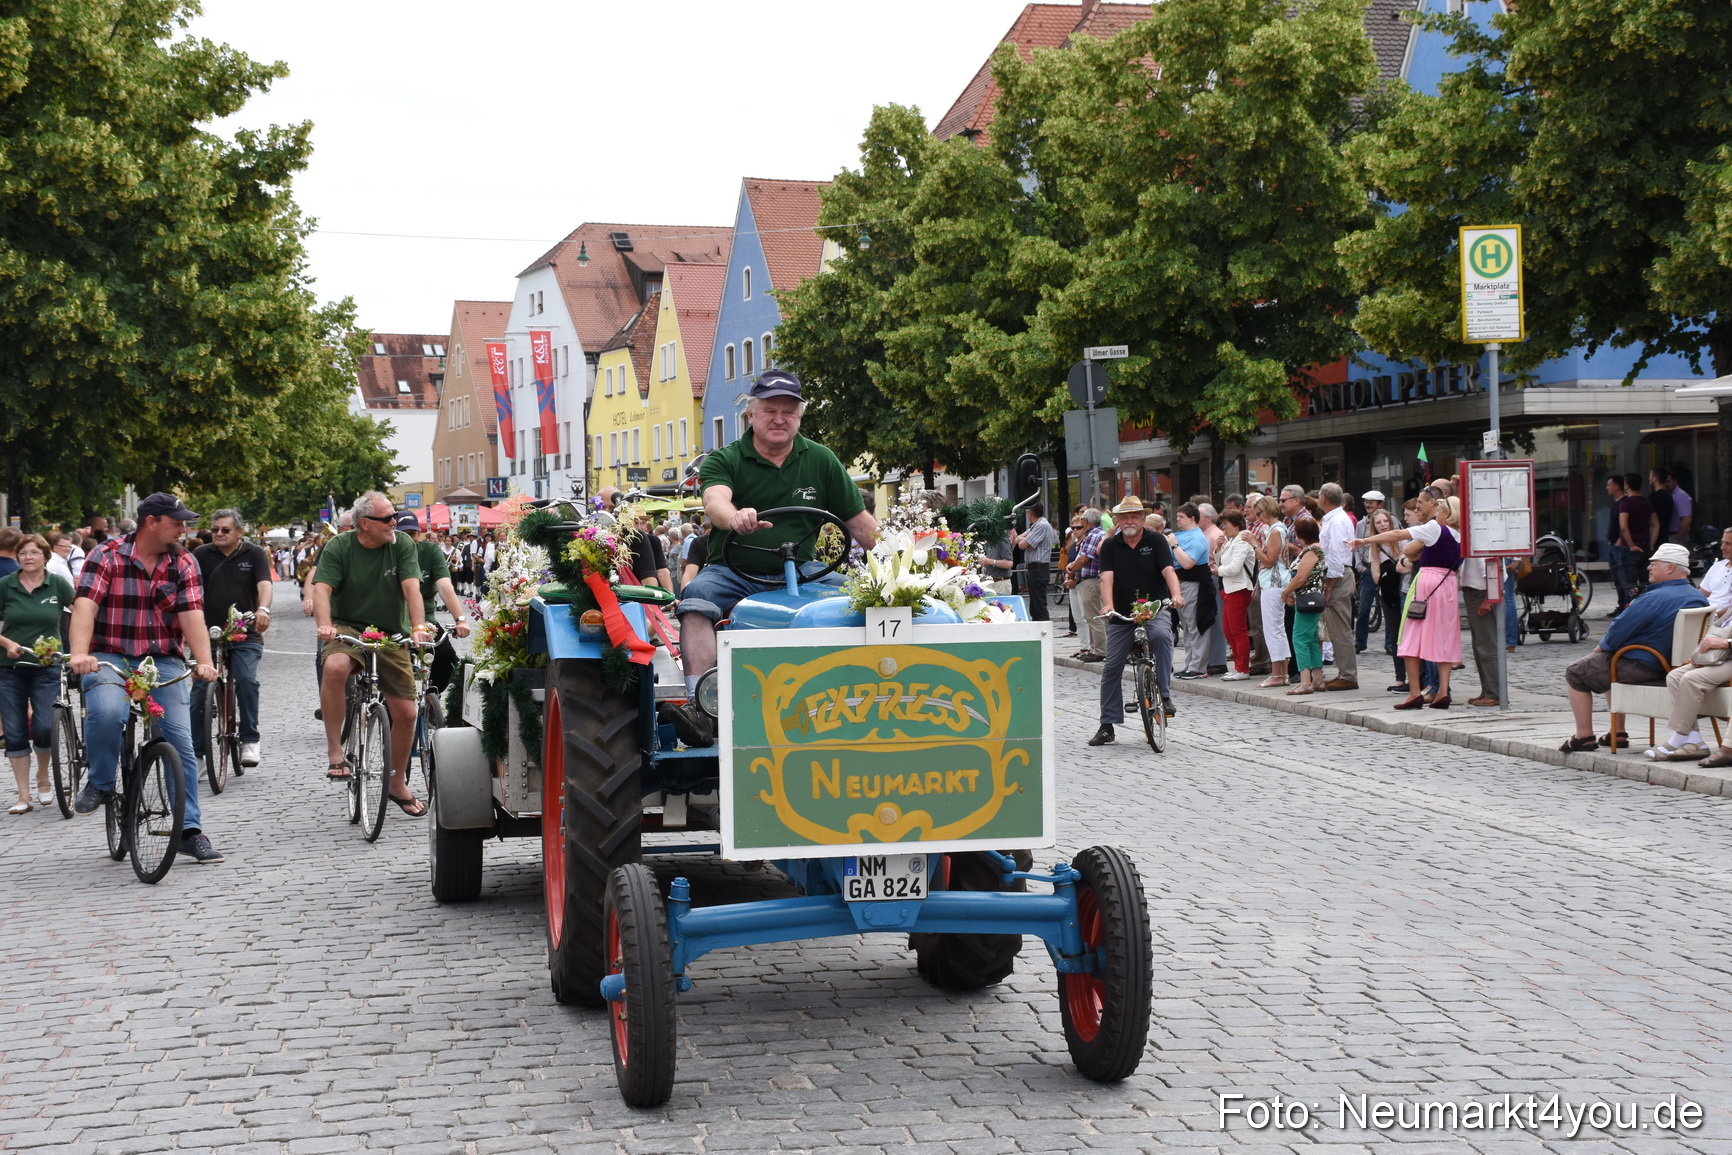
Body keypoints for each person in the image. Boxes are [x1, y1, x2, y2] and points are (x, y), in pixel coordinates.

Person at [671, 370, 878, 746]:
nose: (779, 418)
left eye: (789, 411)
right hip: (734, 570)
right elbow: (715, 501)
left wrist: (910, 554)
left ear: (800, 417)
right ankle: (700, 705)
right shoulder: (725, 458)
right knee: (697, 598)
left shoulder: (821, 459)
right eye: (770, 410)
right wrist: (733, 517)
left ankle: (867, 698)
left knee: (864, 600)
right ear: (751, 415)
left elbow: (862, 525)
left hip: (804, 570)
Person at [66, 492, 222, 863]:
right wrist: (80, 654)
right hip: (109, 655)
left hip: (161, 658)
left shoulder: (183, 561)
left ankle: (188, 830)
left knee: (180, 741)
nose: (184, 528)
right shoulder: (106, 555)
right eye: (177, 522)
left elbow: (192, 616)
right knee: (106, 712)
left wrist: (204, 661)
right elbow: (84, 606)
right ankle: (102, 782)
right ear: (152, 522)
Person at [313, 491, 431, 815]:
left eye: (395, 516)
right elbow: (321, 589)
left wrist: (418, 627)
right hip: (348, 627)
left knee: (407, 713)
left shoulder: (401, 545)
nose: (395, 523)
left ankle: (395, 782)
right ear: (363, 523)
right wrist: (325, 625)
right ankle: (336, 752)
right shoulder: (339, 546)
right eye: (387, 519)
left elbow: (412, 588)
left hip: (391, 630)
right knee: (335, 667)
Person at [1556, 544, 1706, 752]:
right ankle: (1617, 732)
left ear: (1670, 568)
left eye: (1653, 564)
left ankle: (1584, 736)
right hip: (1675, 666)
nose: (1648, 568)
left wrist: (1597, 651)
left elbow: (1617, 631)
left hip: (1644, 665)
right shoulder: (1697, 596)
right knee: (1606, 664)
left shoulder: (1654, 598)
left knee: (1577, 672)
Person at [1352, 486, 1462, 710]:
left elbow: (1396, 535)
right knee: (1443, 637)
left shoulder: (1435, 528)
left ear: (1447, 513)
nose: (1437, 513)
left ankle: (1414, 693)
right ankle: (1442, 691)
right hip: (1449, 584)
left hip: (1428, 582)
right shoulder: (1460, 534)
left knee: (1410, 637)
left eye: (1441, 509)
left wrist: (1365, 541)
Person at [1088, 496, 1183, 746]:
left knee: (1162, 636)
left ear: (1143, 519)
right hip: (1122, 612)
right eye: (1124, 517)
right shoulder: (1110, 545)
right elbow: (1106, 578)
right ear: (1117, 520)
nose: (1129, 521)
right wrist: (1107, 605)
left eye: (1134, 516)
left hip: (1154, 607)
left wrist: (1176, 595)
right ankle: (1107, 725)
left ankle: (1164, 692)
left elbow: (1168, 571)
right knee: (1111, 667)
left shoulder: (1156, 540)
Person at [190, 510, 273, 769]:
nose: (218, 534)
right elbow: (189, 588)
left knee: (247, 680)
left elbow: (265, 584)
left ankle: (250, 738)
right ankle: (197, 752)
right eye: (215, 529)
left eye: (225, 530)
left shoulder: (255, 554)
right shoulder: (200, 555)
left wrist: (263, 609)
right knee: (199, 692)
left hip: (244, 631)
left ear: (239, 532)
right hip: (206, 633)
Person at [0, 535, 75, 811]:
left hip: (47, 664)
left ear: (45, 556)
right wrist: (8, 644)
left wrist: (78, 646)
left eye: (34, 553)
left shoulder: (56, 584)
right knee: (15, 730)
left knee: (45, 725)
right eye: (23, 553)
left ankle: (44, 776)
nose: (28, 557)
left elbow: (80, 609)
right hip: (10, 666)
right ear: (17, 557)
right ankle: (23, 796)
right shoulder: (5, 585)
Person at [1646, 601, 1732, 763]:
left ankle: (1679, 737)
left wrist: (1725, 643)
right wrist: (1702, 652)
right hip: (1721, 656)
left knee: (1691, 678)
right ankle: (1694, 738)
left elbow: (1723, 640)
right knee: (1674, 676)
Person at [399, 512, 472, 695]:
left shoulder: (430, 552)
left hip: (427, 620)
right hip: (395, 620)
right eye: (403, 533)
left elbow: (444, 585)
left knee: (448, 659)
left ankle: (430, 701)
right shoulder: (388, 552)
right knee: (394, 665)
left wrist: (460, 619)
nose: (409, 538)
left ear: (418, 534)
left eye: (412, 533)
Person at [1316, 483, 1358, 690]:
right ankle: (1344, 672)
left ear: (1324, 497)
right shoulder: (1334, 518)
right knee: (1336, 627)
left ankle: (1348, 675)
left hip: (1338, 578)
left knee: (1341, 628)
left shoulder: (1338, 520)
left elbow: (1336, 555)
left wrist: (1330, 585)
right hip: (1336, 576)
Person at [1167, 503, 1215, 680]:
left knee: (1195, 624)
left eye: (1181, 517)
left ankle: (1198, 667)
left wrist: (1174, 546)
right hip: (1181, 583)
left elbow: (1188, 563)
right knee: (1186, 625)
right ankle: (1190, 664)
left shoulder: (1196, 538)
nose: (1177, 520)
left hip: (1194, 584)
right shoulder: (1180, 535)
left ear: (1192, 518)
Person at [1282, 518, 1327, 694]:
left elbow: (1301, 577)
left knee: (1299, 639)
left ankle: (1305, 682)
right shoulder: (1318, 549)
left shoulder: (1311, 550)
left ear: (1300, 536)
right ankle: (1317, 679)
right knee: (1310, 639)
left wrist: (1285, 592)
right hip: (1310, 598)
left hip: (1306, 599)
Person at [1252, 495, 1292, 689]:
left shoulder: (1275, 530)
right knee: (1278, 629)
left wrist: (1254, 544)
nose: (1257, 516)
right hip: (1275, 582)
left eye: (1259, 512)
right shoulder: (1276, 529)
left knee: (1273, 630)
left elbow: (1269, 561)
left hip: (1274, 581)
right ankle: (1282, 672)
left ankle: (1277, 673)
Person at [1215, 510, 1256, 680]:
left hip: (1239, 589)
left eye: (1226, 524)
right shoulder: (1233, 541)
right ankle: (1238, 666)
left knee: (1238, 631)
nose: (1223, 528)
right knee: (1229, 631)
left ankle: (1243, 668)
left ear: (1236, 525)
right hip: (1230, 588)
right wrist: (1218, 548)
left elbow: (1234, 568)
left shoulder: (1242, 541)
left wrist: (1218, 571)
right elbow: (1223, 561)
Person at [1460, 550, 1503, 707]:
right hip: (1475, 593)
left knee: (1486, 645)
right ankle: (1488, 690)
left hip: (1480, 594)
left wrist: (1489, 600)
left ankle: (1494, 693)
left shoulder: (1480, 543)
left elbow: (1492, 572)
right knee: (1480, 645)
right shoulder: (1474, 541)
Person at [1063, 509, 1105, 660]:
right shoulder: (1096, 534)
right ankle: (1094, 649)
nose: (1077, 528)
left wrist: (1071, 567)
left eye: (1080, 524)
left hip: (1091, 580)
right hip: (1088, 580)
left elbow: (1084, 559)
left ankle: (1099, 650)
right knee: (1090, 616)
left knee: (1094, 617)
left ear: (1086, 521)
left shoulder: (1094, 535)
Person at [1015, 503, 1056, 622]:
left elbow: (1022, 544)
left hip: (1039, 568)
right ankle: (1038, 627)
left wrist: (1025, 541)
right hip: (1034, 568)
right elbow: (1019, 538)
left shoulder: (1041, 525)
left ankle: (1043, 629)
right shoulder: (1035, 525)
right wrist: (1025, 541)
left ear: (1030, 513)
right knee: (1034, 604)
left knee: (1039, 604)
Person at [1699, 528, 1732, 611]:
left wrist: (1714, 616)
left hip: (1724, 620)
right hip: (1706, 617)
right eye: (1722, 543)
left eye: (1728, 543)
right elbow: (1701, 595)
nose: (1722, 547)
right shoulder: (1717, 567)